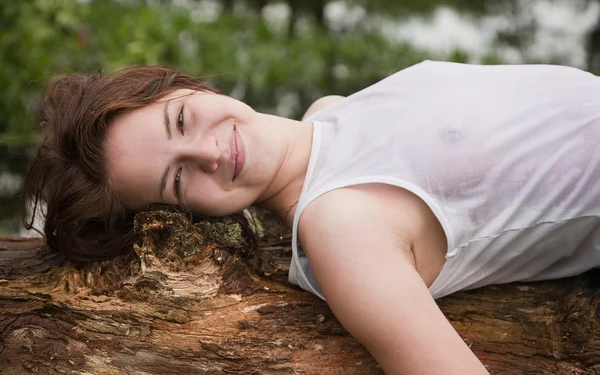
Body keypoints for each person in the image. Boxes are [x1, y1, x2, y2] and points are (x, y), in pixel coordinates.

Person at [22, 60, 600, 374]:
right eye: (178, 180)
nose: (208, 153)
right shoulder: (338, 230)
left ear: (185, 86)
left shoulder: (330, 117)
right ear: (184, 217)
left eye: (180, 122)